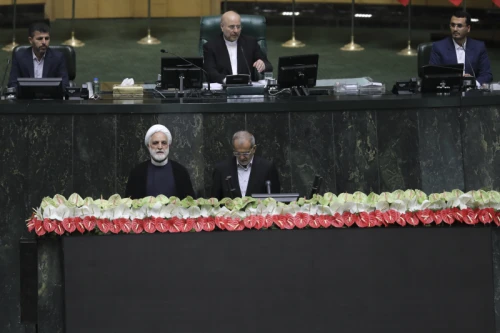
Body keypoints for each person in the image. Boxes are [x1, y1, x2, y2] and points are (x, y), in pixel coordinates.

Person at [125, 124, 195, 199]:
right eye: (155, 143)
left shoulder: (181, 172)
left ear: (169, 145)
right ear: (148, 146)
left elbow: (190, 203)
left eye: (164, 143)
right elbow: (129, 205)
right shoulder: (137, 173)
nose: (160, 147)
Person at [203, 11, 273, 84]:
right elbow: (210, 71)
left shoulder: (250, 43)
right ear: (222, 27)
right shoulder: (211, 46)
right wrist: (226, 81)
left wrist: (263, 64)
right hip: (223, 89)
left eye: (238, 27)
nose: (236, 31)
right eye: (231, 27)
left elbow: (268, 65)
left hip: (246, 88)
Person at [429, 11, 492, 87]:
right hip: (449, 92)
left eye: (459, 26)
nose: (455, 29)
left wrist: (473, 83)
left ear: (468, 28)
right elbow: (432, 75)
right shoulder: (438, 47)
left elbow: (487, 74)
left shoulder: (479, 47)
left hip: (472, 92)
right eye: (452, 25)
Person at [211, 131, 280, 200]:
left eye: (246, 153)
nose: (241, 157)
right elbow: (215, 201)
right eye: (237, 153)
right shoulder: (221, 169)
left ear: (254, 149)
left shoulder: (267, 167)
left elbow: (275, 199)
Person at [8, 22, 69, 88]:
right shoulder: (19, 57)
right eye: (40, 39)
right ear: (30, 40)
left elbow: (64, 84)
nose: (44, 42)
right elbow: (12, 83)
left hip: (49, 97)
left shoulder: (58, 57)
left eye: (47, 38)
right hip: (27, 97)